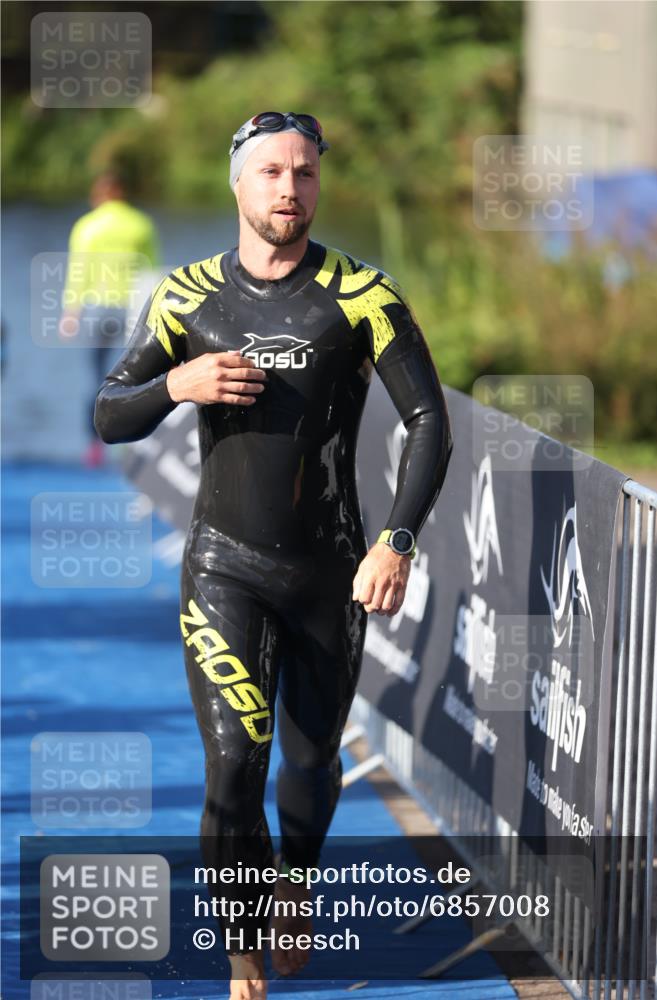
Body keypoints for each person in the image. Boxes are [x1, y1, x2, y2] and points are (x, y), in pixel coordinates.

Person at [94, 111, 453, 1000]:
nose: (288, 189)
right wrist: (177, 384)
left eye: (303, 173)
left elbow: (429, 422)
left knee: (309, 756)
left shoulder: (363, 294)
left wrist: (395, 542)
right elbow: (109, 410)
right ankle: (239, 946)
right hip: (224, 566)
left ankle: (295, 873)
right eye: (270, 173)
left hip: (329, 570)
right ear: (237, 184)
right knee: (231, 765)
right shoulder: (186, 297)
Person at [60, 168, 160, 466]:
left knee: (97, 378)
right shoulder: (141, 225)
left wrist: (70, 312)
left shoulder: (87, 226)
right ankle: (128, 443)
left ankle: (94, 445)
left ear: (98, 195)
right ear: (122, 194)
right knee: (133, 379)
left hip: (97, 308)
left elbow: (79, 273)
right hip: (133, 309)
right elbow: (152, 271)